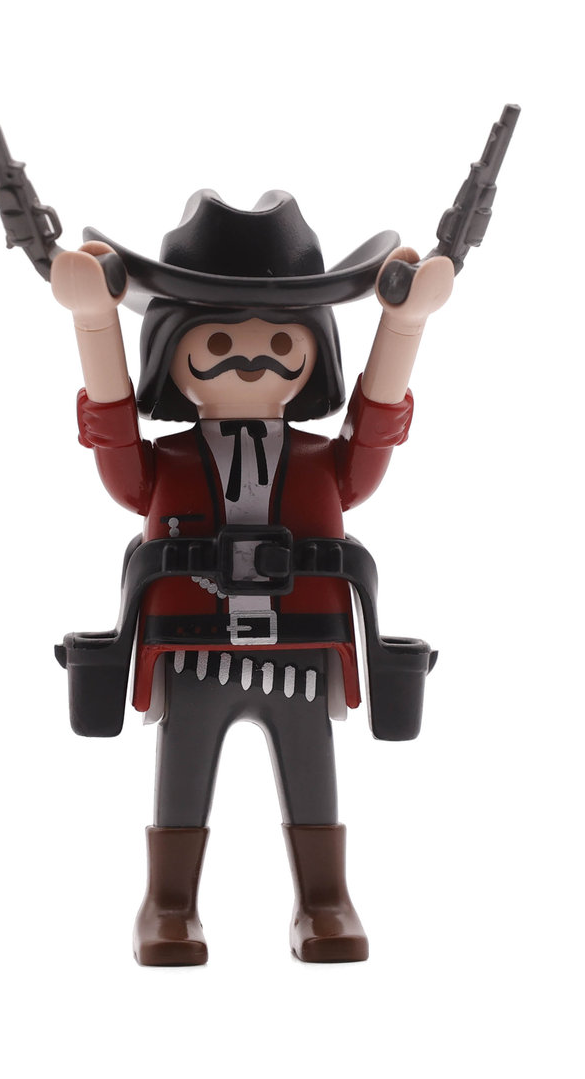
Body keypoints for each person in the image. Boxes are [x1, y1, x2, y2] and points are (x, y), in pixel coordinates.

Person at [51, 190, 453, 965]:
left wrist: (405, 326)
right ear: (169, 347)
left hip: (301, 646)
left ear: (316, 349)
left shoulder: (320, 463)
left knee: (311, 771)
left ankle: (324, 898)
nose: (251, 356)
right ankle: (169, 903)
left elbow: (370, 446)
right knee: (183, 771)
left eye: (280, 337)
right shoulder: (168, 464)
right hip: (192, 645)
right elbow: (119, 459)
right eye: (216, 337)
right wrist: (93, 323)